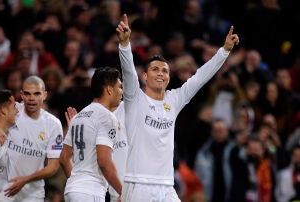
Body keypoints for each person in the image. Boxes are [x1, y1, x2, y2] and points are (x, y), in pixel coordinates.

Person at [116, 14, 239, 201]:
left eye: (164, 70)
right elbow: (128, 71)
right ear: (144, 76)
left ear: (169, 78)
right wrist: (125, 45)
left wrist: (224, 50)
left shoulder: (174, 100)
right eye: (155, 69)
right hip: (138, 184)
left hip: (166, 185)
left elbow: (200, 77)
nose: (160, 73)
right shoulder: (135, 99)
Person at [0, 75, 63, 201]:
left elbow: (53, 166)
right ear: (21, 95)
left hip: (33, 195)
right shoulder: (11, 111)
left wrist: (26, 179)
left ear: (44, 95)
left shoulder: (53, 124)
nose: (32, 98)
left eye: (37, 94)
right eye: (27, 94)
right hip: (3, 193)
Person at [59, 67, 123, 202]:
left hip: (73, 190)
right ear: (109, 90)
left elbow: (64, 158)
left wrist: (78, 184)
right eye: (119, 87)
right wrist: (124, 192)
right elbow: (104, 162)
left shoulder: (78, 117)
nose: (121, 92)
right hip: (90, 192)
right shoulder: (107, 117)